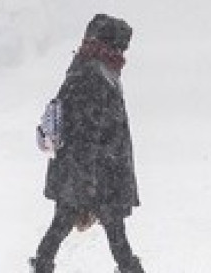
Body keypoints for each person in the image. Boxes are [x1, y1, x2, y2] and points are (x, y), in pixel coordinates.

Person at [31, 14, 143, 273]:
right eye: (121, 48)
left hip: (89, 168)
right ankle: (128, 269)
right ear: (111, 44)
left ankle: (42, 265)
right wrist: (88, 179)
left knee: (66, 222)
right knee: (109, 227)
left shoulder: (90, 66)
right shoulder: (94, 73)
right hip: (95, 169)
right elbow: (87, 129)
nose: (123, 55)